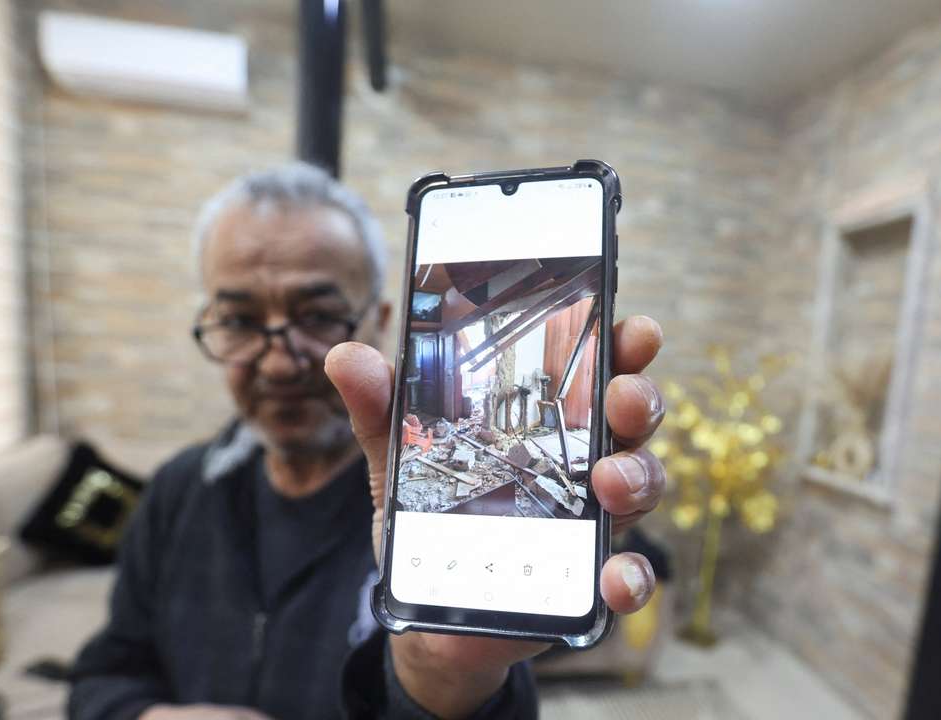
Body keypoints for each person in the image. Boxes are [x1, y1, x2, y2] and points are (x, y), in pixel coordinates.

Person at [68, 163, 668, 720]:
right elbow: (104, 672)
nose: (278, 364)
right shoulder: (179, 489)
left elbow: (464, 684)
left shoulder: (413, 524)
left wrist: (442, 676)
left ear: (381, 321)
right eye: (241, 322)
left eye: (318, 316)